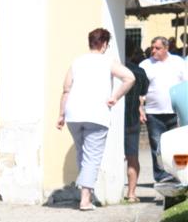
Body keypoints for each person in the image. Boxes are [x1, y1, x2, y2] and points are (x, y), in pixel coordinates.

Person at [55, 28, 134, 211]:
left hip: (73, 114)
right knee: (92, 157)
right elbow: (129, 78)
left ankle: (85, 193)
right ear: (105, 44)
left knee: (82, 155)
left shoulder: (77, 62)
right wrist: (115, 97)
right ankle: (85, 199)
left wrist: (61, 114)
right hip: (97, 114)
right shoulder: (108, 62)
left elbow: (66, 89)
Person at [140, 36, 187, 184]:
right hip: (154, 112)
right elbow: (140, 91)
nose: (153, 51)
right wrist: (140, 108)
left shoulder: (178, 62)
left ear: (166, 48)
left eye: (157, 48)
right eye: (152, 47)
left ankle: (181, 174)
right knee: (157, 147)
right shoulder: (145, 65)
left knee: (179, 146)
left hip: (176, 112)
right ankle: (161, 176)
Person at [124, 48, 149, 202]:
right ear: (132, 53)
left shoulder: (111, 70)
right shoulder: (139, 72)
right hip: (132, 118)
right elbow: (143, 92)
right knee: (132, 156)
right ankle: (131, 193)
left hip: (112, 120)